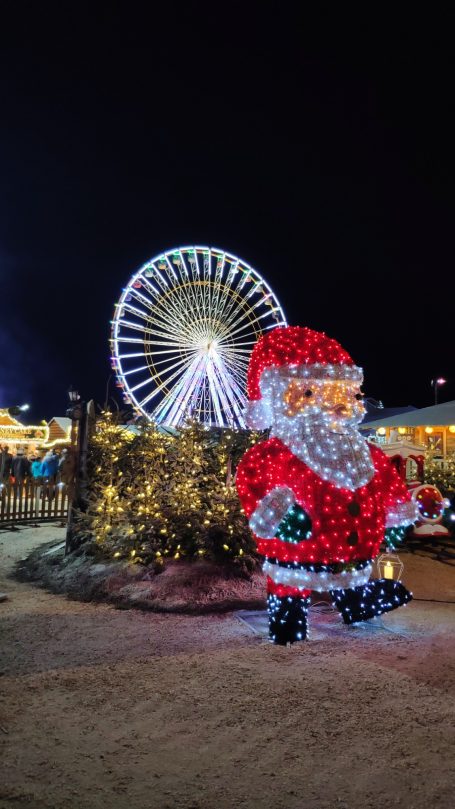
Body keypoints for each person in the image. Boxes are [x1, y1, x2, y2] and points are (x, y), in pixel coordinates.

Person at [236, 326, 417, 645]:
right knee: (289, 585)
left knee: (348, 579)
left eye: (347, 394)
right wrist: (278, 516)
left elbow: (389, 487)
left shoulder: (368, 453)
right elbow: (252, 483)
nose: (339, 406)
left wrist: (394, 519)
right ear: (280, 399)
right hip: (296, 549)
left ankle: (358, 605)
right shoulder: (272, 454)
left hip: (354, 551)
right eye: (311, 393)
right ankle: (287, 623)